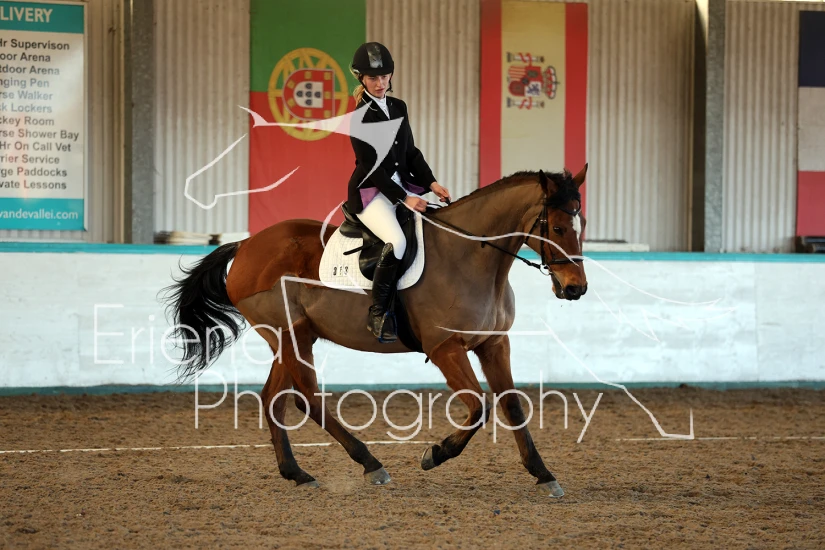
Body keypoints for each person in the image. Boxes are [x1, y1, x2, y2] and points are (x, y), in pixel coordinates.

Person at [346, 41, 452, 343]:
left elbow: (410, 152)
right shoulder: (359, 117)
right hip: (372, 192)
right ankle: (378, 312)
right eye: (373, 78)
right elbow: (372, 168)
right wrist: (404, 198)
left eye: (384, 76)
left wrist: (431, 182)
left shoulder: (398, 107)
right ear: (362, 79)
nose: (380, 83)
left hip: (403, 185)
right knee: (397, 241)